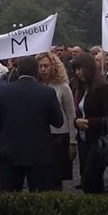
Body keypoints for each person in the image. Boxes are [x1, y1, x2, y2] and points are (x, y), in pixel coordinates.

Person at [0, 56, 63, 192]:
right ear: (36, 71)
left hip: (9, 152)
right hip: (39, 154)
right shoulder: (47, 92)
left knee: (9, 198)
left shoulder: (2, 91)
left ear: (18, 70)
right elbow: (58, 122)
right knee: (39, 199)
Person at [71, 53, 108, 194]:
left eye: (80, 69)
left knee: (91, 177)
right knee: (85, 176)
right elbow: (78, 113)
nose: (77, 73)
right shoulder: (80, 88)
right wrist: (76, 122)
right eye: (75, 69)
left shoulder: (102, 88)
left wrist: (89, 122)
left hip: (98, 139)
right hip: (83, 139)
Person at [37, 51, 77, 190]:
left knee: (56, 177)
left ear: (54, 67)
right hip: (42, 135)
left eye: (46, 66)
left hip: (60, 136)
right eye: (40, 66)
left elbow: (71, 114)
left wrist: (73, 141)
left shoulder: (62, 86)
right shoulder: (37, 86)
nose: (43, 69)